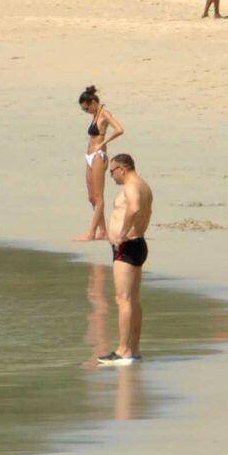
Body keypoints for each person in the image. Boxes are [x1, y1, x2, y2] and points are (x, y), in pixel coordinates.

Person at [98, 154, 152, 365]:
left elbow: (136, 208)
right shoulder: (144, 185)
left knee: (123, 299)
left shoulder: (131, 187)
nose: (112, 176)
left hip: (127, 246)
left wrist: (121, 234)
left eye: (112, 172)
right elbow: (147, 212)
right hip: (137, 244)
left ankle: (123, 350)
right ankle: (134, 350)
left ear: (122, 168)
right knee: (133, 299)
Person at [79, 85, 124, 242]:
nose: (86, 112)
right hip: (90, 156)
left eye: (86, 109)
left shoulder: (104, 114)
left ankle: (91, 232)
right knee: (91, 197)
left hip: (99, 156)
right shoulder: (95, 115)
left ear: (92, 102)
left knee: (98, 197)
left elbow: (119, 129)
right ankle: (103, 230)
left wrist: (103, 142)